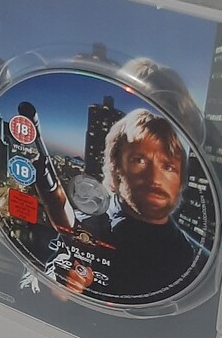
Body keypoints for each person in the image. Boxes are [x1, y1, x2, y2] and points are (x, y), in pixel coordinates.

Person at [45, 109, 208, 303]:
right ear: (115, 167)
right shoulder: (83, 225)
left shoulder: (189, 255)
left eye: (168, 166)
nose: (155, 178)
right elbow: (37, 280)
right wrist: (56, 283)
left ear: (180, 181)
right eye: (139, 160)